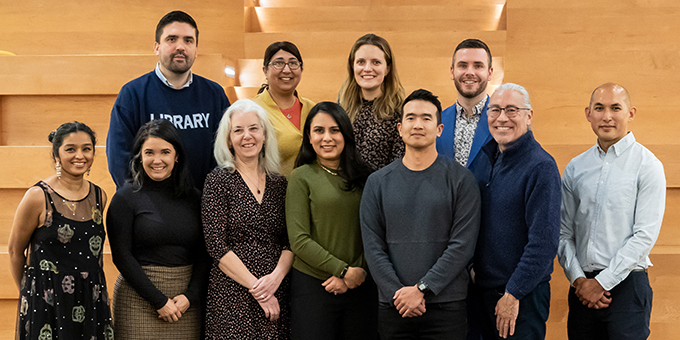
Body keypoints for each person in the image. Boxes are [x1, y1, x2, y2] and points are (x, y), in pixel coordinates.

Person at [361, 89, 481, 339]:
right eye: (411, 118)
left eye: (426, 118)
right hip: (395, 304)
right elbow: (373, 247)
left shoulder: (462, 180)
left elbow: (462, 246)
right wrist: (400, 293)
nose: (418, 124)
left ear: (439, 129)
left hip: (446, 307)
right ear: (400, 128)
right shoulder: (377, 183)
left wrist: (422, 289)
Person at [558, 83, 666, 340]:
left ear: (630, 113)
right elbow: (563, 232)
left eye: (615, 108)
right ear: (588, 114)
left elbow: (644, 236)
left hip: (628, 288)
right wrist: (579, 281)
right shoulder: (576, 167)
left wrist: (602, 283)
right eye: (599, 108)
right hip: (582, 290)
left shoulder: (647, 165)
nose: (607, 116)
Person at [469, 83, 561, 339]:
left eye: (512, 110)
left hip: (520, 298)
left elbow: (544, 242)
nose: (502, 118)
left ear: (528, 116)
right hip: (482, 293)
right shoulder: (484, 159)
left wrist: (514, 293)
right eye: (495, 110)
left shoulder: (541, 167)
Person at [8, 121, 113, 339]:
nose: (80, 155)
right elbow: (15, 252)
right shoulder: (37, 197)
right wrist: (31, 293)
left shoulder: (99, 196)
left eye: (86, 148)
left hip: (90, 301)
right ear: (57, 154)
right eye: (70, 149)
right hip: (46, 302)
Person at [107, 119, 209, 339]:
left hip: (185, 303)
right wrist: (158, 300)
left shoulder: (196, 198)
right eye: (149, 153)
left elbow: (204, 253)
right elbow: (121, 256)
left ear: (177, 155)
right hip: (138, 300)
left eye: (165, 152)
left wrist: (190, 296)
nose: (157, 160)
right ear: (140, 156)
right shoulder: (124, 198)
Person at [107, 10, 230, 190]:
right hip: (149, 210)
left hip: (203, 207)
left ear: (196, 49)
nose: (180, 46)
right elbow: (119, 157)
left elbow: (226, 153)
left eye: (188, 40)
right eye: (171, 39)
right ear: (157, 47)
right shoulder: (132, 93)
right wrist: (142, 204)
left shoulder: (214, 94)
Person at [202, 99, 292, 339]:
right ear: (228, 139)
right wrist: (259, 290)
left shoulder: (279, 183)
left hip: (277, 287)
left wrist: (275, 279)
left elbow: (290, 241)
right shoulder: (218, 181)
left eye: (253, 128)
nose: (247, 136)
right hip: (233, 293)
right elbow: (216, 246)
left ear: (264, 134)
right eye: (238, 130)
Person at [286, 102, 376, 340]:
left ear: (346, 133)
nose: (327, 138)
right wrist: (343, 270)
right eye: (319, 130)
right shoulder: (300, 176)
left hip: (361, 284)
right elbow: (299, 240)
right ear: (309, 136)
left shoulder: (366, 177)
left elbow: (376, 233)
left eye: (335, 130)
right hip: (314, 286)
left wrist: (357, 273)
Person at [338, 33, 405, 171]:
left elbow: (399, 165)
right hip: (343, 189)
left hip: (382, 189)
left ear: (387, 68)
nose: (367, 69)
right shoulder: (341, 107)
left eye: (376, 62)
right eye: (361, 62)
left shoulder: (400, 111)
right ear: (352, 66)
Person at [253, 41, 315, 176]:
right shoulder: (252, 111)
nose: (287, 70)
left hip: (311, 194)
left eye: (293, 63)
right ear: (265, 70)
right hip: (270, 194)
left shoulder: (313, 109)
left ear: (301, 69)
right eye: (278, 63)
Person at [437, 38, 494, 176]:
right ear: (452, 71)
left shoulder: (504, 121)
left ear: (490, 73)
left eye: (478, 66)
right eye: (462, 65)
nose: (469, 72)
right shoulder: (437, 121)